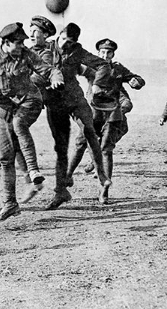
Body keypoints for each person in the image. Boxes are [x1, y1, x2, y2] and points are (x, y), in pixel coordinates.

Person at [0, 22, 63, 222]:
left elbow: (48, 69)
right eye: (18, 43)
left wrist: (56, 77)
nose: (22, 45)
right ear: (6, 43)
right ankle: (10, 203)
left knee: (18, 125)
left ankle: (33, 170)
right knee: (5, 156)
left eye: (23, 42)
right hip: (5, 109)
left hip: (30, 101)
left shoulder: (27, 55)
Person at [42, 23, 113, 210]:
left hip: (74, 98)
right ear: (59, 35)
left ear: (76, 42)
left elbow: (103, 65)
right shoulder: (46, 47)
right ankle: (60, 192)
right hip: (54, 102)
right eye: (64, 40)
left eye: (71, 42)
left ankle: (103, 176)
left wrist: (98, 83)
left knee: (89, 131)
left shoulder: (78, 51)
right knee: (61, 147)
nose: (66, 45)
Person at [68, 39, 144, 204]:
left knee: (106, 150)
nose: (105, 55)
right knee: (80, 144)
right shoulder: (92, 67)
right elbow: (73, 69)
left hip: (111, 115)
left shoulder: (118, 69)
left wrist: (136, 82)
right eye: (102, 52)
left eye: (108, 52)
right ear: (98, 53)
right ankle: (67, 177)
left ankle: (104, 191)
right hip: (91, 113)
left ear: (113, 54)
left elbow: (137, 79)